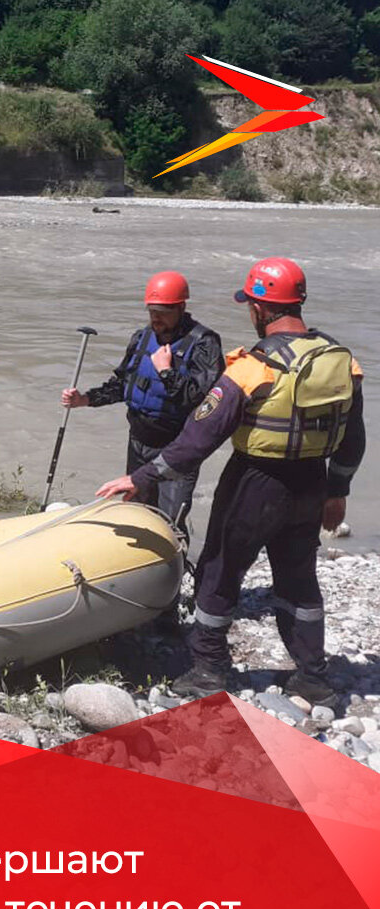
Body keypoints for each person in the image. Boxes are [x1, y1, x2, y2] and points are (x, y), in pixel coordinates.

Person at [97, 258, 366, 708]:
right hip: (311, 483)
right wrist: (338, 491)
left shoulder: (251, 367)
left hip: (255, 482)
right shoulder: (341, 361)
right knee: (299, 578)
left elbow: (197, 439)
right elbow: (354, 438)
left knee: (219, 571)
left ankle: (209, 670)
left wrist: (141, 476)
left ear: (259, 308)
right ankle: (312, 677)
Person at [61, 272, 223, 538]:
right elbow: (122, 384)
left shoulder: (205, 343)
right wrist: (85, 399)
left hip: (177, 447)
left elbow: (201, 399)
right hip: (138, 442)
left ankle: (178, 561)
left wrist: (166, 372)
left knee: (170, 522)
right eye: (152, 312)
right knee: (137, 514)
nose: (156, 318)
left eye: (163, 312)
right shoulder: (142, 338)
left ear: (181, 307)